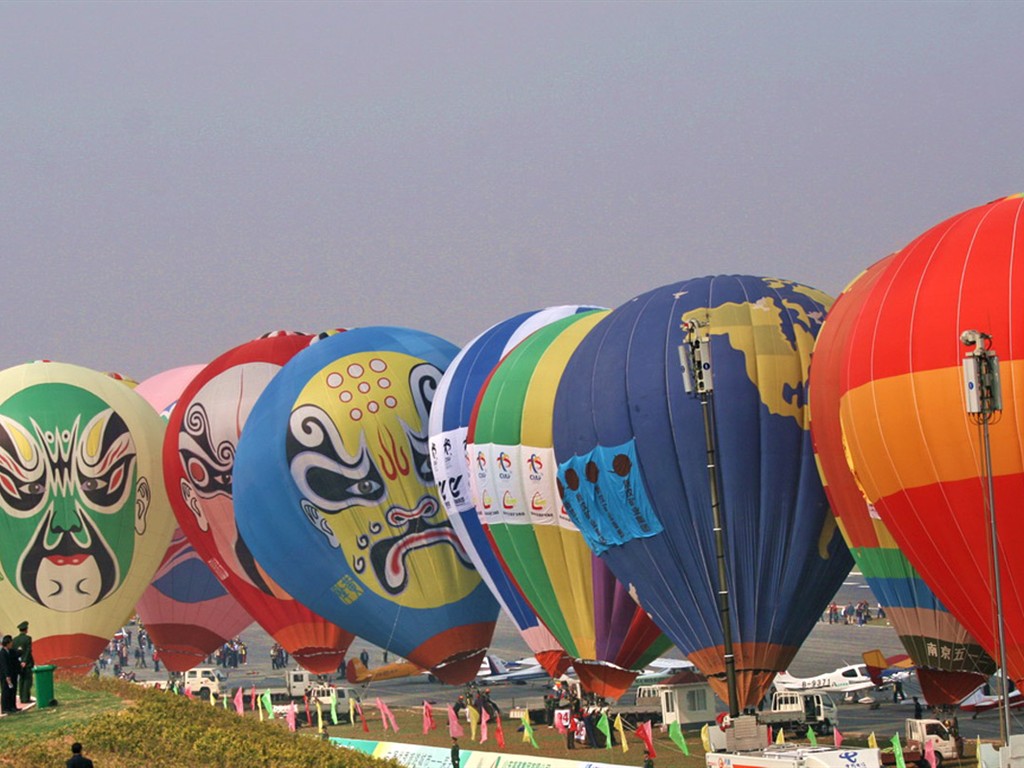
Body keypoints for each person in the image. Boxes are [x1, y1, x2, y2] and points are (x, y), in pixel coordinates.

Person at [11, 621, 32, 705]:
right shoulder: (27, 638)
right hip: (26, 662)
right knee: (27, 680)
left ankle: (21, 697)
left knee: (21, 680)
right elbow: (28, 651)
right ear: (26, 629)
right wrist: (24, 661)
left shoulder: (14, 640)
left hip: (18, 662)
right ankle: (26, 698)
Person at [0, 635, 19, 714]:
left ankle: (12, 706)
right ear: (7, 643)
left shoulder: (10, 651)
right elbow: (4, 666)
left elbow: (17, 654)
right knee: (6, 691)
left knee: (12, 691)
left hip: (12, 674)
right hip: (5, 676)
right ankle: (5, 708)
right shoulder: (2, 653)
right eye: (11, 643)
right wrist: (7, 676)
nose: (12, 644)